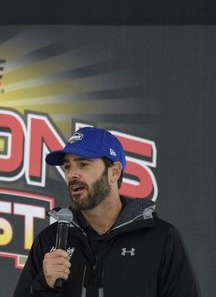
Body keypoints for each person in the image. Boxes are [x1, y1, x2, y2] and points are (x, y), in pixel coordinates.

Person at [13, 127, 199, 297]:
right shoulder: (49, 240)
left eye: (83, 164)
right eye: (67, 166)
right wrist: (44, 286)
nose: (71, 174)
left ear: (114, 172)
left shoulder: (160, 238)